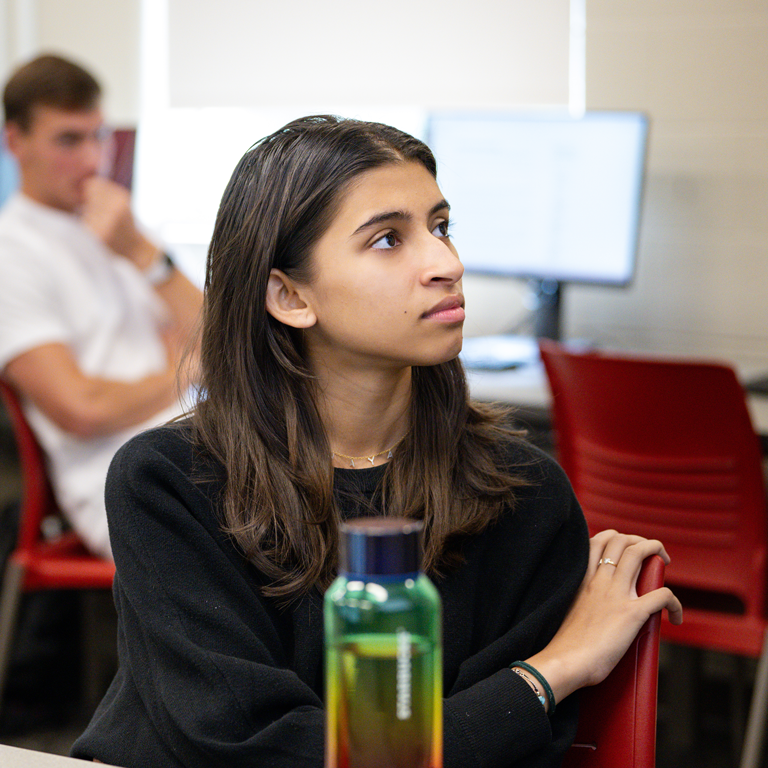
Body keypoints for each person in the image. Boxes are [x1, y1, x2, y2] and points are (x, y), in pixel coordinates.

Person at [71, 115, 681, 767]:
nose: (446, 264)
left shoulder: (523, 494)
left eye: (441, 227)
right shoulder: (169, 482)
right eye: (389, 239)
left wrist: (512, 708)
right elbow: (256, 751)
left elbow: (513, 753)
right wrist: (553, 671)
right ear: (289, 295)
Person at [0, 54, 203, 559]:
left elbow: (222, 340)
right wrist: (183, 369)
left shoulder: (121, 231)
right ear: (15, 142)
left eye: (100, 135)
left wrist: (142, 254)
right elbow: (81, 408)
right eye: (69, 140)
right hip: (121, 477)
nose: (94, 160)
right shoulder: (12, 253)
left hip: (192, 441)